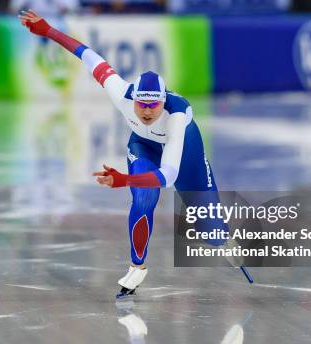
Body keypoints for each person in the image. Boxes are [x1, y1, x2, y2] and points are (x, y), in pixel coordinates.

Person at [19, 10, 250, 299]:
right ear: (134, 98)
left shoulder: (177, 116)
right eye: (142, 104)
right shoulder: (121, 92)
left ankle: (223, 238)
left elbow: (169, 175)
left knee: (211, 234)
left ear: (164, 102)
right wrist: (48, 30)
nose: (147, 111)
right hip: (143, 146)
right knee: (143, 198)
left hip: (184, 156)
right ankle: (137, 266)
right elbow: (88, 55)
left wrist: (124, 179)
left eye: (154, 106)